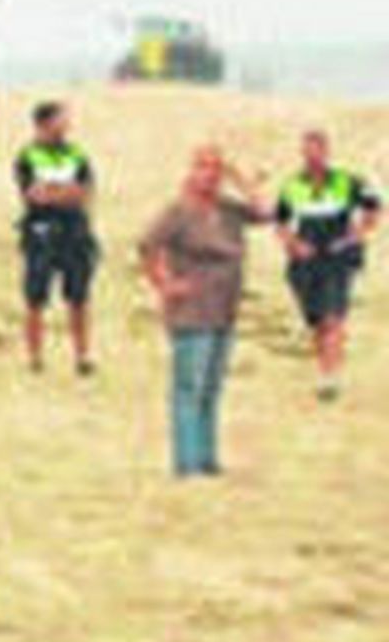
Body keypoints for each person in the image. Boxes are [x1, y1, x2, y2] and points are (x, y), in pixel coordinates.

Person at [137, 145, 267, 476]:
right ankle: (186, 462)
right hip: (192, 311)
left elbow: (267, 213)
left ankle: (207, 457)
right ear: (192, 170)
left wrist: (241, 179)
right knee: (189, 387)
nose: (210, 175)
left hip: (224, 307)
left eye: (216, 168)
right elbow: (148, 244)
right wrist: (165, 283)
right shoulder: (179, 211)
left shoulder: (228, 209)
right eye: (204, 167)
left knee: (211, 387)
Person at [272, 128, 380, 398]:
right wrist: (294, 245)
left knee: (333, 317)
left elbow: (374, 207)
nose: (312, 157)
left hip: (337, 257)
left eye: (317, 151)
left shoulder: (347, 181)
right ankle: (325, 365)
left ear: (326, 152)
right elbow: (281, 222)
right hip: (305, 261)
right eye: (307, 152)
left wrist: (356, 235)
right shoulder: (292, 185)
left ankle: (330, 377)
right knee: (318, 321)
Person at [13, 98, 99, 373]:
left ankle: (82, 356)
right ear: (44, 123)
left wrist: (53, 192)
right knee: (35, 298)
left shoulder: (78, 155)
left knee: (79, 297)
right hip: (40, 231)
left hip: (75, 232)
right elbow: (33, 195)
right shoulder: (27, 156)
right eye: (61, 119)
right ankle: (35, 357)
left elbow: (84, 194)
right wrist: (62, 193)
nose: (67, 125)